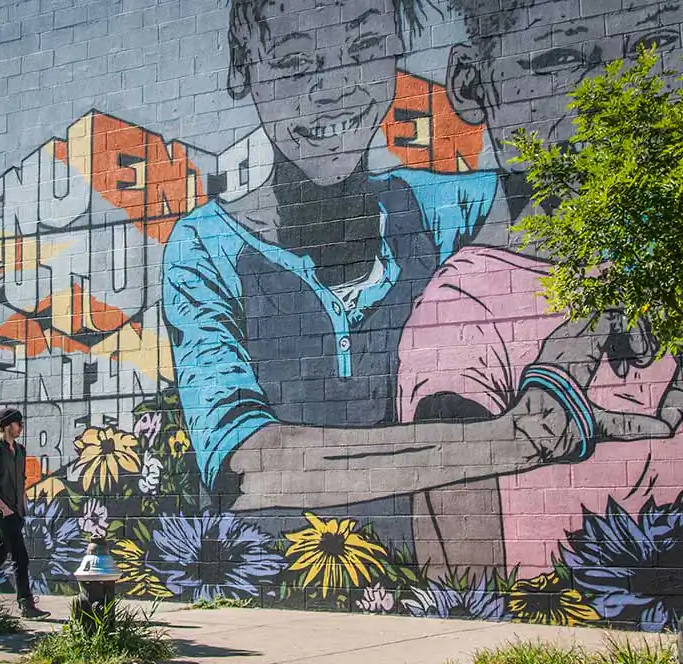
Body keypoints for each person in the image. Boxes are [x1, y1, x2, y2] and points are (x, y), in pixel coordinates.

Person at [162, 0, 678, 554]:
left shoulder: (438, 208)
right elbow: (246, 469)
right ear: (242, 71)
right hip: (266, 578)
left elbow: (580, 204)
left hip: (417, 582)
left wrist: (629, 290)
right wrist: (519, 437)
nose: (334, 87)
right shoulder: (206, 247)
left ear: (396, 55)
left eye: (364, 49)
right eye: (293, 63)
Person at [0, 407, 50, 620]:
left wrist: (22, 507)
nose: (21, 427)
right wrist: (3, 508)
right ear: (6, 426)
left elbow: (21, 481)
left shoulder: (20, 450)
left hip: (17, 512)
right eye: (17, 423)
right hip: (3, 512)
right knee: (20, 557)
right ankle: (26, 604)